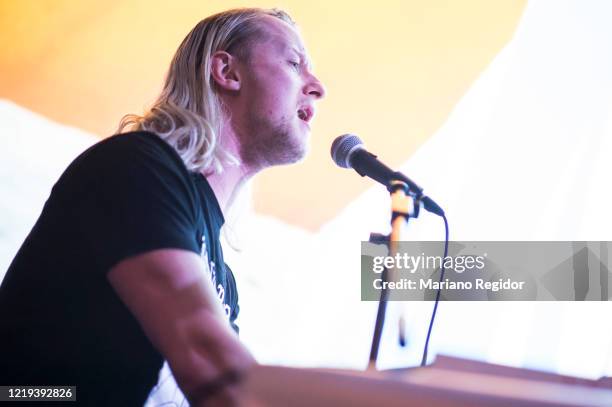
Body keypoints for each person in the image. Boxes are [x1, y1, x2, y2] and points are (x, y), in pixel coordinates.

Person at [0, 7, 325, 406]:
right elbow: (214, 369)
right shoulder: (136, 168)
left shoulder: (222, 280)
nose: (318, 87)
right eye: (295, 63)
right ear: (227, 72)